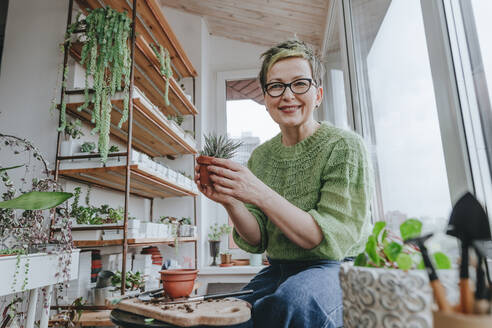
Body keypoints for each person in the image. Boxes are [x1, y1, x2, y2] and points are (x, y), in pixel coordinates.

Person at [194, 39, 374, 328]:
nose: (287, 95)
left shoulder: (344, 146)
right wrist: (230, 200)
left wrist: (257, 191)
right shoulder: (262, 156)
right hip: (278, 269)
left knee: (295, 304)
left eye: (299, 83)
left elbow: (326, 241)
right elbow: (257, 240)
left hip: (337, 269)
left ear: (318, 95)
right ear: (266, 100)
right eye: (276, 86)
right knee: (223, 317)